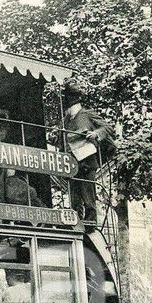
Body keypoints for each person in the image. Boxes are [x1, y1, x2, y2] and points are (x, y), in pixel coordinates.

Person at [62, 80, 115, 223]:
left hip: (87, 161)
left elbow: (107, 127)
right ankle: (77, 220)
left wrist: (95, 134)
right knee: (74, 196)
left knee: (88, 195)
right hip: (72, 162)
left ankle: (91, 222)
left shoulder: (87, 114)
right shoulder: (66, 120)